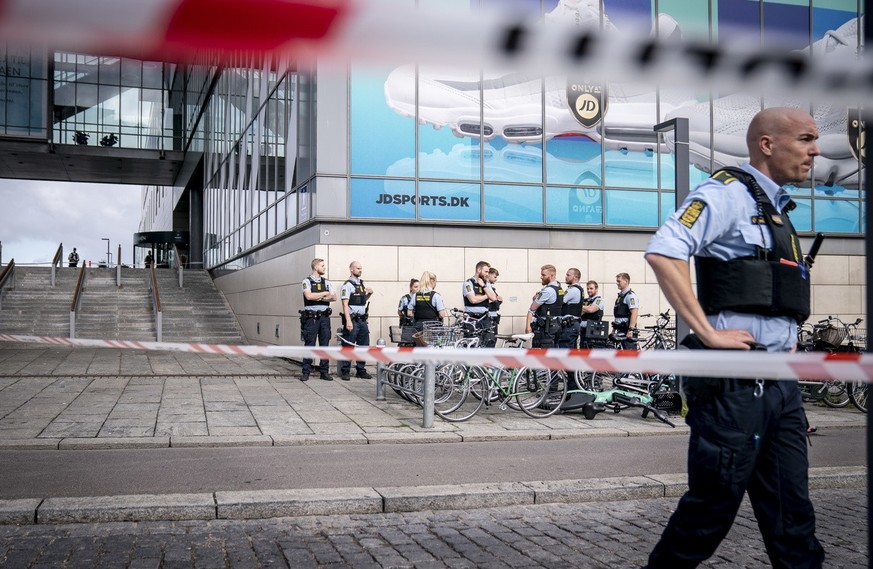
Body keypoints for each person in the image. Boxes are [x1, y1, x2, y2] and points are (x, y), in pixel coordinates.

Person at [642, 107, 824, 568]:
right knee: (711, 510)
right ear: (767, 144)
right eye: (805, 139)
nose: (815, 150)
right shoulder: (726, 193)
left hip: (780, 384)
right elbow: (665, 251)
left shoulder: (778, 210)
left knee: (792, 513)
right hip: (735, 385)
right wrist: (705, 331)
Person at [300, 258, 336, 382]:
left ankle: (324, 372)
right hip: (312, 318)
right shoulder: (306, 281)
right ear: (316, 267)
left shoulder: (326, 282)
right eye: (322, 266)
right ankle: (306, 372)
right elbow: (308, 296)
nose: (324, 268)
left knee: (324, 344)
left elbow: (334, 297)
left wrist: (319, 297)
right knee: (309, 344)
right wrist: (324, 293)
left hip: (325, 318)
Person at [339, 261, 373, 381]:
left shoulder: (361, 284)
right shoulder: (347, 285)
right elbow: (345, 304)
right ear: (351, 269)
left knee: (363, 345)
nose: (360, 270)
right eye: (358, 268)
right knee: (348, 345)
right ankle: (345, 371)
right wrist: (348, 321)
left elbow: (362, 301)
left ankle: (360, 370)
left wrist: (369, 294)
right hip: (352, 320)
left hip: (362, 320)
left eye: (361, 268)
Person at [524, 264, 564, 348]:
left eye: (543, 275)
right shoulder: (559, 289)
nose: (541, 277)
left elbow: (532, 309)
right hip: (556, 327)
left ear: (552, 275)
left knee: (541, 354)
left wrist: (528, 326)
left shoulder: (548, 291)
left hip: (546, 330)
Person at [462, 261, 497, 342]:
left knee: (488, 343)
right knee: (472, 343)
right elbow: (473, 300)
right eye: (486, 271)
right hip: (471, 318)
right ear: (478, 270)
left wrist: (483, 286)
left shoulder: (486, 284)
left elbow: (494, 298)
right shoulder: (468, 283)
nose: (487, 274)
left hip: (485, 318)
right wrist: (486, 295)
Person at [612, 272, 639, 349]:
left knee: (629, 358)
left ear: (626, 281)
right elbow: (618, 315)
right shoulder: (620, 297)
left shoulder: (630, 296)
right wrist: (613, 330)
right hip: (620, 331)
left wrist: (630, 330)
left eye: (619, 281)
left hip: (627, 331)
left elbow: (634, 313)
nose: (617, 283)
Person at [558, 267, 583, 349]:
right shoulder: (578, 289)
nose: (566, 277)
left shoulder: (573, 290)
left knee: (565, 352)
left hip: (569, 326)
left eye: (568, 275)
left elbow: (559, 302)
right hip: (572, 325)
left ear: (575, 277)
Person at [579, 280, 606, 348]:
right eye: (587, 288)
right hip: (583, 329)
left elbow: (591, 310)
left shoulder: (599, 300)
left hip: (594, 331)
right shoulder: (585, 300)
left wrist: (579, 307)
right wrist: (586, 308)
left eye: (591, 288)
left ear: (596, 289)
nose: (589, 290)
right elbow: (580, 313)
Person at [484, 267, 503, 347]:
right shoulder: (485, 286)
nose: (496, 279)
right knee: (490, 341)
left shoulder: (490, 287)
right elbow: (489, 299)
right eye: (495, 277)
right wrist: (495, 299)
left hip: (493, 317)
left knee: (493, 339)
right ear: (489, 275)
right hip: (489, 317)